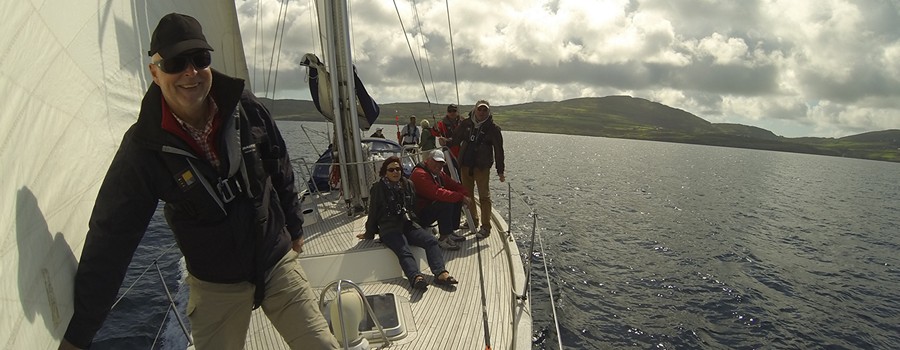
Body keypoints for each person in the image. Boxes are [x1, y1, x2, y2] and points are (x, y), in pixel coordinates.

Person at [58, 13, 339, 350]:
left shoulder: (245, 108)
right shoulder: (143, 149)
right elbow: (112, 237)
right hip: (216, 286)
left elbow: (279, 164)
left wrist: (294, 228)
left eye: (200, 58)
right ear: (155, 72)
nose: (190, 72)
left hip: (275, 262)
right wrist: (79, 334)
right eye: (176, 62)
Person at [357, 156, 459, 289]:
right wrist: (369, 233)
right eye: (391, 170)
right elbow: (373, 212)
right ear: (385, 172)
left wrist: (420, 226)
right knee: (403, 250)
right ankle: (415, 277)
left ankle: (440, 273)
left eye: (398, 169)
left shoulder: (408, 184)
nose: (395, 172)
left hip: (408, 225)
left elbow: (414, 208)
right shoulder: (378, 188)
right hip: (390, 228)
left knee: (431, 241)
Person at [446, 100, 505, 239]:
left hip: (482, 167)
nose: (482, 112)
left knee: (484, 196)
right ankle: (472, 219)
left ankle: (486, 227)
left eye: (485, 110)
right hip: (465, 164)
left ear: (488, 112)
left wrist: (500, 170)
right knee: (467, 194)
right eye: (480, 109)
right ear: (475, 110)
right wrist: (446, 141)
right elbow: (456, 138)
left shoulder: (493, 129)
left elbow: (498, 150)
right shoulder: (466, 124)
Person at [410, 150, 471, 250]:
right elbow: (436, 193)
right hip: (419, 215)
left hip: (428, 208)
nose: (438, 166)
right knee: (446, 201)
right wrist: (461, 197)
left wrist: (465, 194)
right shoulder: (420, 174)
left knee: (454, 197)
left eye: (441, 163)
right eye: (435, 162)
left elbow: (454, 185)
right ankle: (443, 239)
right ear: (428, 160)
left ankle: (449, 232)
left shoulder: (439, 174)